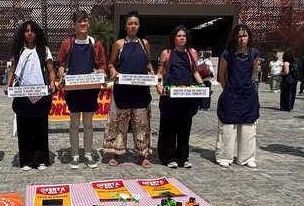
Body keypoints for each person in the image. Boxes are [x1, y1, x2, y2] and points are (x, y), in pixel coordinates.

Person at [56, 10, 107, 169]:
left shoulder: (95, 44)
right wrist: (62, 74)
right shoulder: (67, 43)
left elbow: (102, 64)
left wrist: (101, 71)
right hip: (73, 90)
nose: (83, 24)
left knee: (89, 124)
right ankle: (75, 154)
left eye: (85, 21)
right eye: (79, 21)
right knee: (74, 123)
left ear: (88, 23)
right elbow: (61, 64)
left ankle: (88, 154)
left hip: (90, 90)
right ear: (74, 24)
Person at [103, 11, 154, 168]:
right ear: (125, 26)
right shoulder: (118, 44)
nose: (133, 26)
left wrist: (152, 72)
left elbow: (148, 63)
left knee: (142, 124)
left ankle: (143, 154)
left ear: (139, 26)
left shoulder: (145, 44)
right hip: (122, 91)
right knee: (119, 124)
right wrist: (113, 71)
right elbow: (110, 64)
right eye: (130, 23)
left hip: (140, 92)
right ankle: (117, 154)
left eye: (136, 24)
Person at [8, 20, 56, 171]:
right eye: (27, 31)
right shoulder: (18, 50)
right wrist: (9, 85)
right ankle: (27, 160)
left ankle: (41, 159)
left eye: (32, 31)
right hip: (22, 94)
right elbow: (12, 70)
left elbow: (50, 69)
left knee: (40, 127)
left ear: (37, 33)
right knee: (24, 128)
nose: (29, 33)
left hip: (41, 94)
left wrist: (53, 82)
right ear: (23, 33)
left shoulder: (44, 50)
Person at [156, 26, 203, 168]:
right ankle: (169, 157)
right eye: (179, 36)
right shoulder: (167, 53)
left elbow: (195, 72)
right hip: (170, 94)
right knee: (169, 127)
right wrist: (158, 86)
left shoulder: (192, 53)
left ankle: (183, 157)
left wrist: (202, 85)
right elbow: (160, 73)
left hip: (186, 95)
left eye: (184, 36)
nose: (182, 38)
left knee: (185, 127)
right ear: (173, 38)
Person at [215, 24, 260, 168]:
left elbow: (253, 74)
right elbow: (221, 77)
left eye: (244, 36)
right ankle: (224, 156)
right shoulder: (227, 54)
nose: (242, 39)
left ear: (249, 37)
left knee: (248, 127)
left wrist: (246, 88)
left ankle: (246, 157)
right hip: (231, 94)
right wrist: (229, 90)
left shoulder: (254, 53)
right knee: (228, 127)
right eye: (239, 36)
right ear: (235, 38)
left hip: (248, 95)